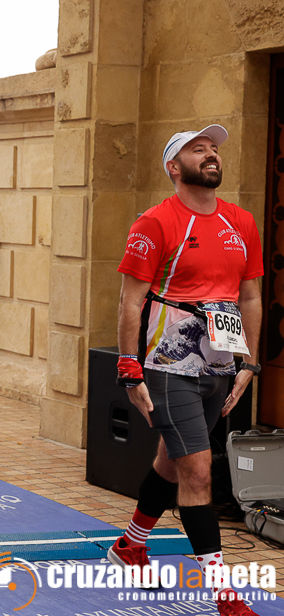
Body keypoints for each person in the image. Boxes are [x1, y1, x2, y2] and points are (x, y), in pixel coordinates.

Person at [111, 125, 263, 615]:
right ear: (174, 167)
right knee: (197, 471)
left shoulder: (242, 221)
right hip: (169, 363)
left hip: (221, 364)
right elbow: (130, 300)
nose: (211, 154)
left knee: (170, 459)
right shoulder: (155, 222)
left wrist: (249, 363)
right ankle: (225, 596)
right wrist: (129, 368)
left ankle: (131, 545)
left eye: (214, 148)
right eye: (199, 149)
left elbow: (251, 296)